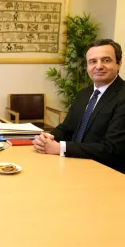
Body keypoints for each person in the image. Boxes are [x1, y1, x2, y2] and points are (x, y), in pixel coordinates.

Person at [33, 39, 125, 173]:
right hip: (73, 164)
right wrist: (48, 138)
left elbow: (112, 148)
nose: (98, 66)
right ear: (87, 66)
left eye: (106, 60)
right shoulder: (84, 93)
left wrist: (61, 148)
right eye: (93, 61)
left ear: (119, 63)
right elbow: (66, 128)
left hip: (105, 172)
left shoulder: (122, 96)